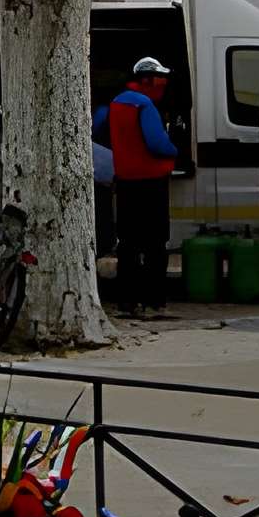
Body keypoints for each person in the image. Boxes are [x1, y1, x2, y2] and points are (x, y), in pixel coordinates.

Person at [94, 56, 178, 319]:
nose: (163, 82)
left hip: (125, 180)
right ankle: (154, 302)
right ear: (147, 79)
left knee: (128, 243)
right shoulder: (145, 105)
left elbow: (97, 128)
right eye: (160, 77)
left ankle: (126, 302)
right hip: (151, 182)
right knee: (155, 243)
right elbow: (157, 144)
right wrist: (174, 149)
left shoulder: (116, 103)